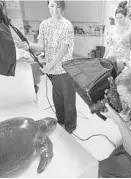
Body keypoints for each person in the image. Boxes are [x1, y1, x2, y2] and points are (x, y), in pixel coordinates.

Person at [26, 0, 77, 133]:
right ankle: (60, 122)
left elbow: (63, 50)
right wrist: (28, 45)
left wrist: (49, 66)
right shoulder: (44, 24)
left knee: (68, 100)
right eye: (52, 6)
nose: (55, 10)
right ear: (48, 7)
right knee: (57, 99)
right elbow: (41, 46)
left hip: (65, 69)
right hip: (53, 70)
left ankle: (70, 127)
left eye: (58, 6)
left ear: (62, 7)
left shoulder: (67, 25)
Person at [104, 1, 131, 72]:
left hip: (123, 59)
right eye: (117, 18)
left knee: (118, 74)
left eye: (121, 17)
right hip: (112, 56)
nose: (118, 20)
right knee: (108, 75)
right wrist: (104, 57)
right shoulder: (112, 29)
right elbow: (109, 45)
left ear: (125, 16)